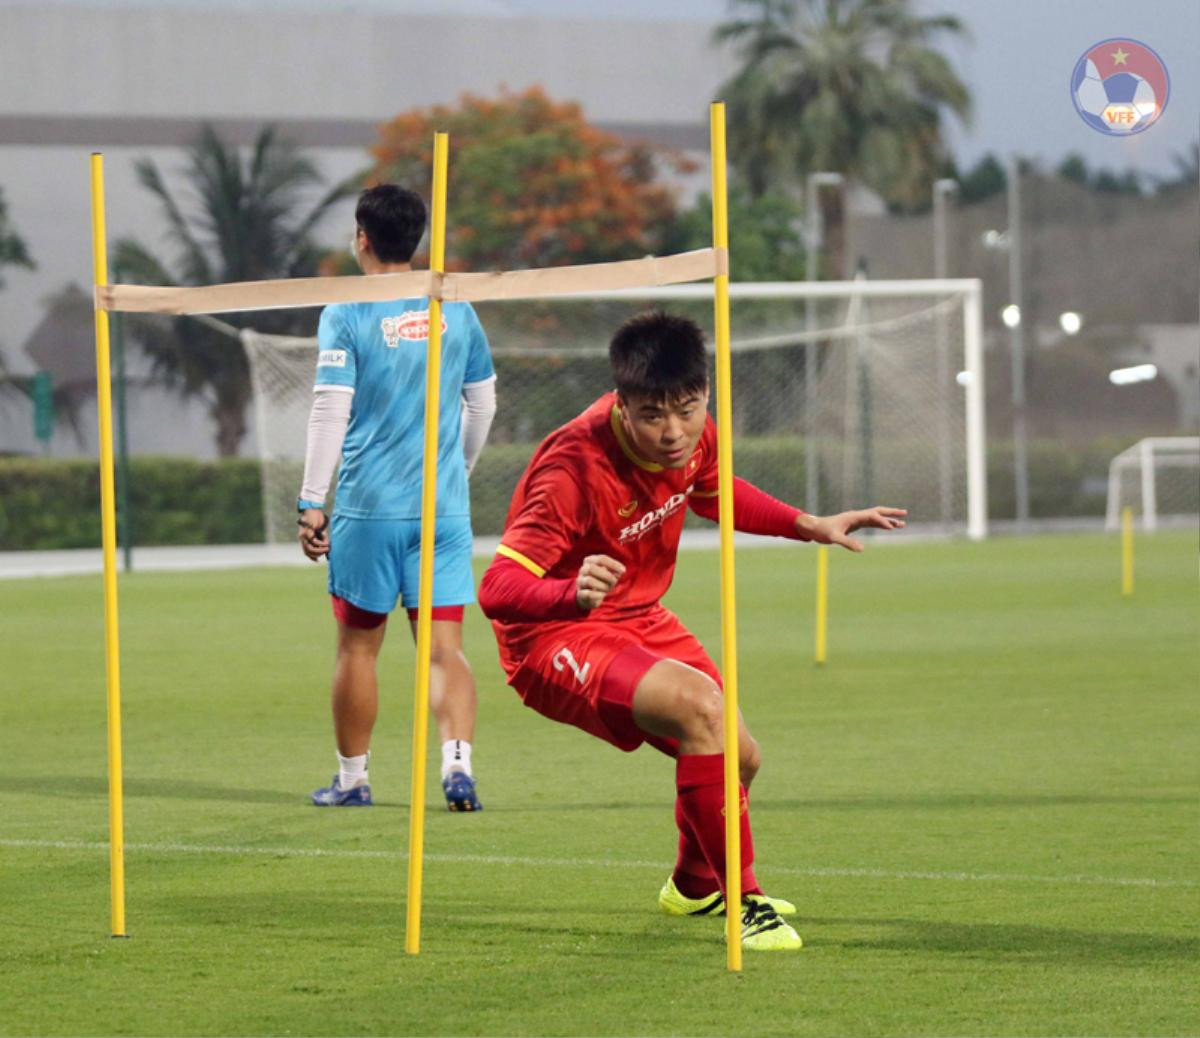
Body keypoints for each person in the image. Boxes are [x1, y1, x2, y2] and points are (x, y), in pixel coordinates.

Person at [477, 311, 905, 950]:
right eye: (653, 415)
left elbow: (710, 490)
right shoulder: (571, 466)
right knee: (702, 710)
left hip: (640, 617)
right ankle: (745, 901)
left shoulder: (693, 434)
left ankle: (695, 884)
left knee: (743, 757)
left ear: (704, 393)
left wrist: (808, 524)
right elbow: (496, 591)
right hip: (557, 635)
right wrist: (570, 592)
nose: (674, 431)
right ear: (622, 404)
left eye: (689, 409)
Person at [297, 184, 497, 812]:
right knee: (446, 650)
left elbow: (332, 408)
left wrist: (310, 501)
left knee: (359, 647)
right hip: (443, 510)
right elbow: (483, 401)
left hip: (370, 509)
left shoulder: (346, 310)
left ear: (362, 237)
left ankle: (353, 780)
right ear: (415, 239)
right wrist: (456, 470)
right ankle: (457, 765)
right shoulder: (454, 306)